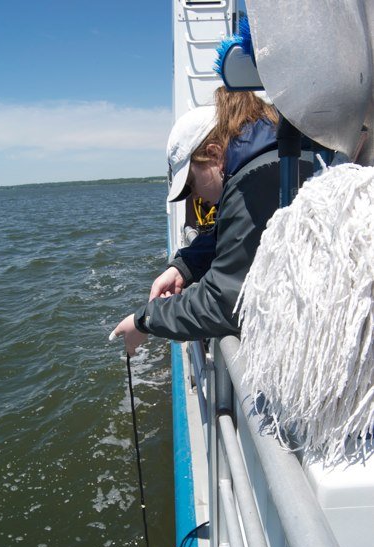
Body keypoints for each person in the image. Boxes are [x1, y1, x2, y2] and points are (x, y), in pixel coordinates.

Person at [112, 88, 298, 356]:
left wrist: (144, 320)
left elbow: (224, 302)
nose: (195, 197)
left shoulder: (253, 183)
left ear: (214, 154)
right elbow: (234, 235)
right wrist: (184, 267)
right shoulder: (267, 159)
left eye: (190, 183)